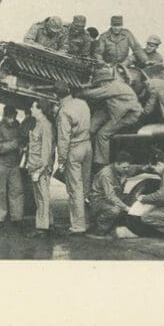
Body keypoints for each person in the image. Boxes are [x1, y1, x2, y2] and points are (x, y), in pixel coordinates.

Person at [81, 67, 143, 169]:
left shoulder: (112, 87)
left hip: (128, 115)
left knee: (103, 134)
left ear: (103, 81)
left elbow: (91, 94)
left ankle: (101, 163)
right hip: (119, 111)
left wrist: (77, 92)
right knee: (97, 119)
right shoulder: (115, 84)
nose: (99, 85)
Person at [53, 82, 92, 235]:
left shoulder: (64, 111)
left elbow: (63, 139)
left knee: (75, 189)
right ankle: (88, 220)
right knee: (85, 187)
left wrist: (61, 160)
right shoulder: (83, 103)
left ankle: (78, 226)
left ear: (56, 95)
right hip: (87, 146)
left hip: (74, 150)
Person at [86, 152, 140, 238]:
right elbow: (110, 196)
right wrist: (126, 208)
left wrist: (149, 167)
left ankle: (115, 224)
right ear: (116, 164)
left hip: (114, 197)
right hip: (99, 201)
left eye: (128, 167)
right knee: (115, 210)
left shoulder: (123, 169)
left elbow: (136, 168)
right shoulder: (106, 175)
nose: (126, 169)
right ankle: (98, 229)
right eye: (124, 167)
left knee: (135, 199)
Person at [0, 105, 24, 227]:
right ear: (4, 116)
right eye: (9, 117)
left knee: (16, 191)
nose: (12, 120)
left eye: (13, 117)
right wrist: (15, 143)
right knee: (0, 192)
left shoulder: (17, 127)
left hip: (14, 164)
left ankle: (17, 217)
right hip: (1, 165)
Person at [26, 99, 55, 237]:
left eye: (33, 107)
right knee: (40, 197)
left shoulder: (45, 126)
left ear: (40, 109)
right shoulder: (38, 124)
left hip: (40, 168)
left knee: (42, 197)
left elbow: (46, 151)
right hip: (34, 166)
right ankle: (48, 224)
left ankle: (42, 228)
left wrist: (40, 170)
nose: (31, 109)